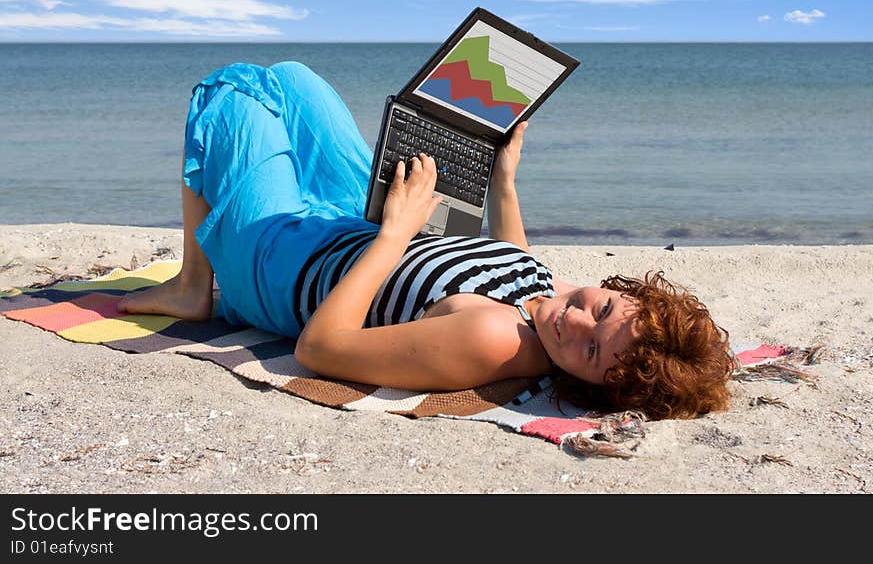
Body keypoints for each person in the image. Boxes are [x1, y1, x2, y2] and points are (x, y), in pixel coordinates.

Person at [118, 61, 735, 420]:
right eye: (600, 308)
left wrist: (396, 231)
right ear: (616, 292)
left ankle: (195, 286)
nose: (575, 321)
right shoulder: (554, 305)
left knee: (229, 94)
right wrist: (503, 181)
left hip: (283, 268)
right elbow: (515, 264)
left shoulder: (495, 342)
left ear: (586, 385)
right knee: (290, 79)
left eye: (591, 352)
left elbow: (320, 348)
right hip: (358, 227)